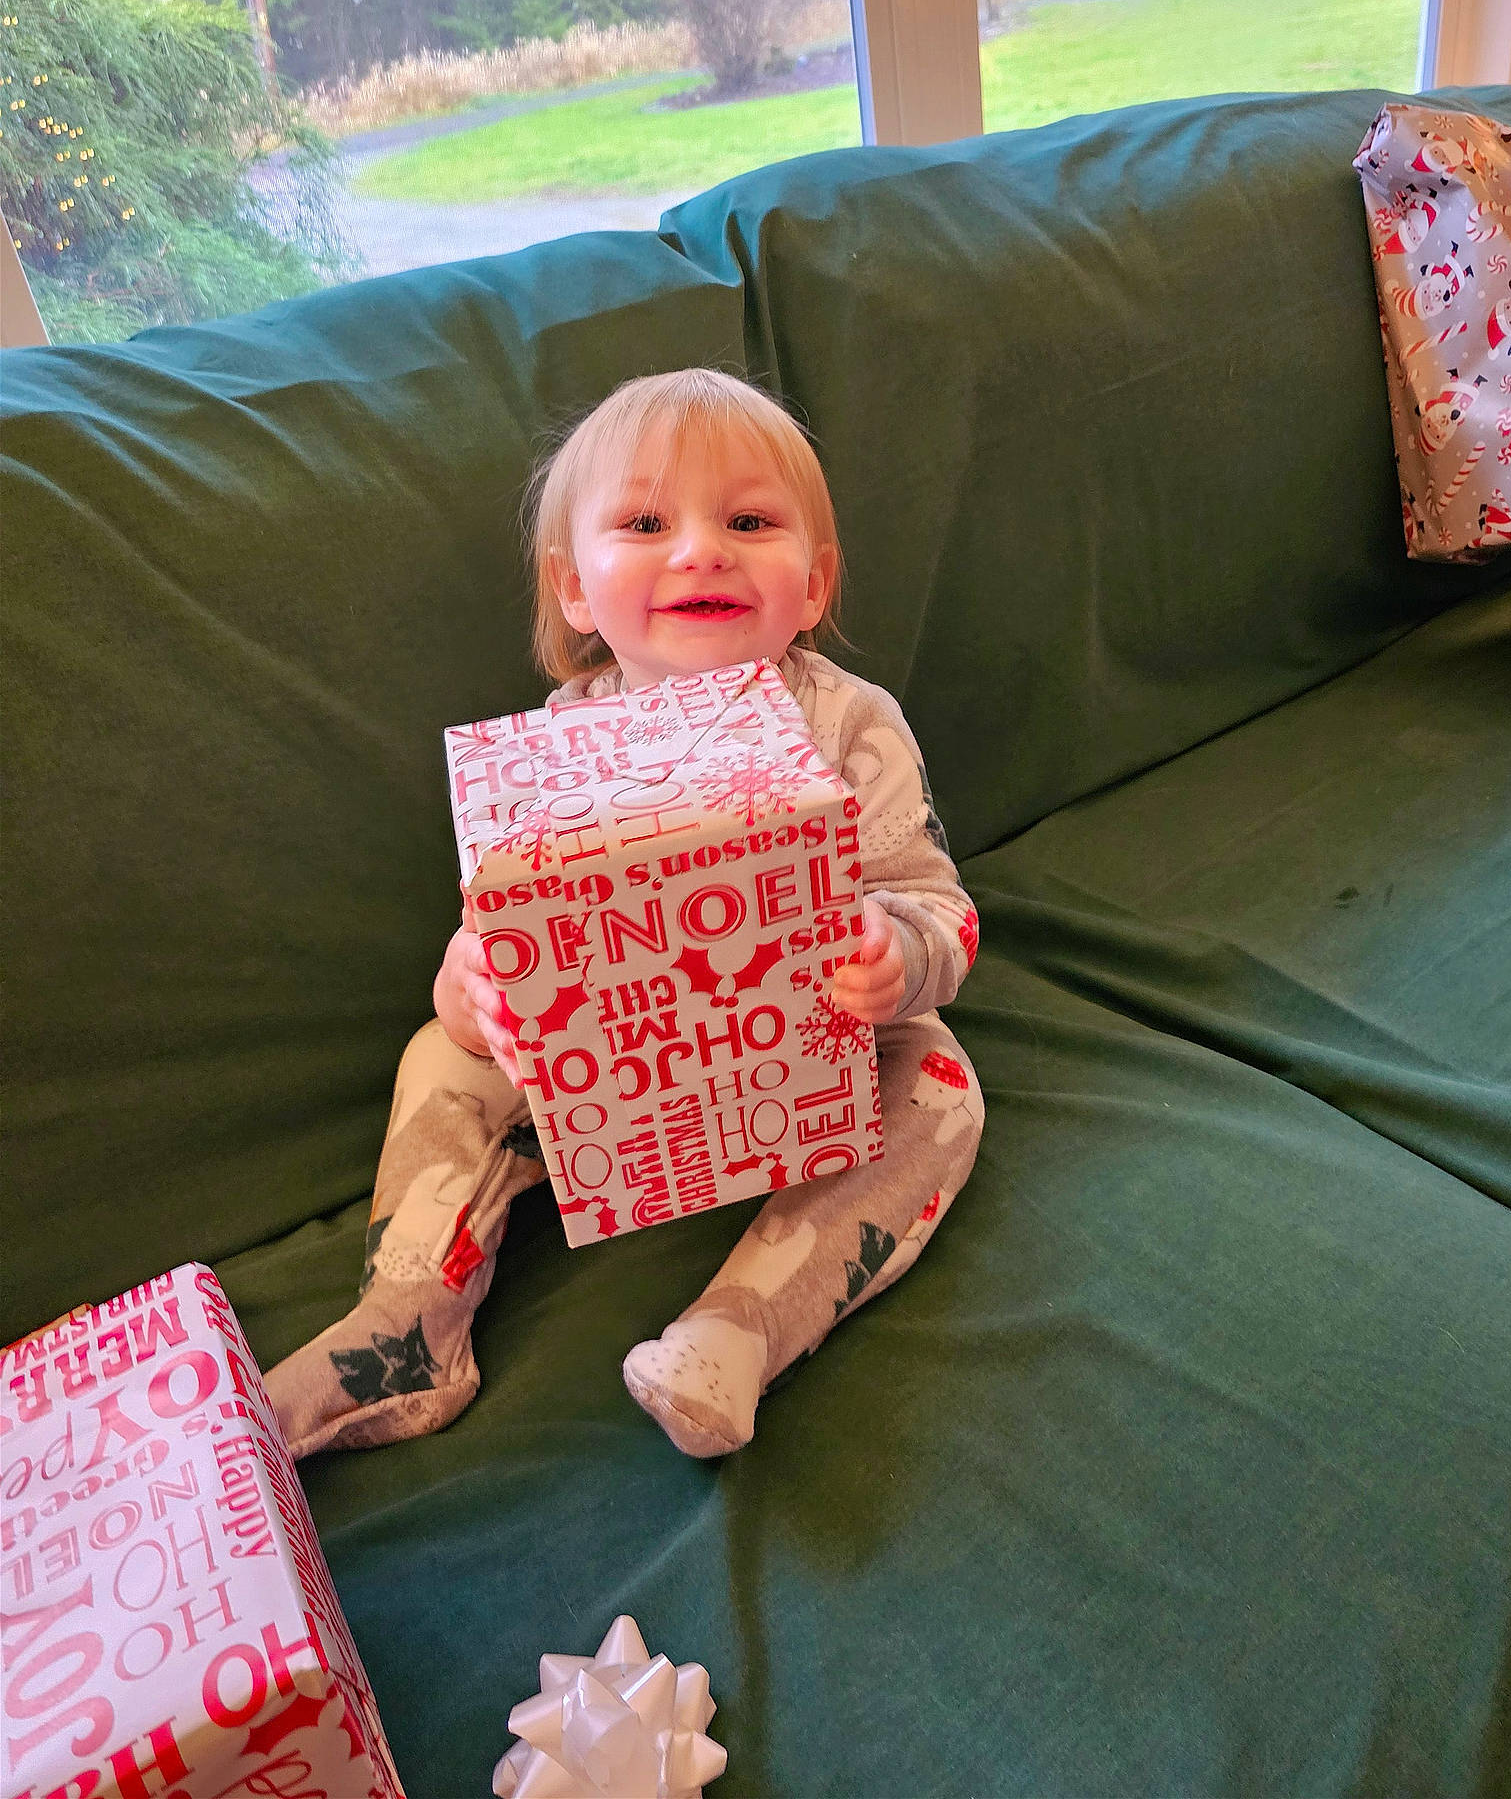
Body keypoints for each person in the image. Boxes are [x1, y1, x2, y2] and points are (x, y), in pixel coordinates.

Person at [264, 369, 985, 1460]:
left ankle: (735, 1332)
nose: (701, 551)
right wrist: (471, 990)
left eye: (749, 522)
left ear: (814, 582)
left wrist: (899, 951)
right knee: (439, 1055)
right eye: (646, 524)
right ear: (574, 589)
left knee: (939, 1082)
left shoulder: (850, 721)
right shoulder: (554, 740)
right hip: (615, 1087)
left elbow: (939, 906)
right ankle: (404, 1326)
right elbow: (505, 931)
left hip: (807, 1061)